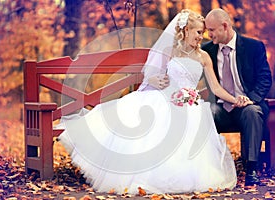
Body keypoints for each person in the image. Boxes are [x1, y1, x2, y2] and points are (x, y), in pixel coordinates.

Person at [58, 9, 239, 194]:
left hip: (191, 106)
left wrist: (236, 99)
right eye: (198, 32)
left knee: (192, 124)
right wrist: (152, 80)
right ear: (186, 30)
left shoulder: (203, 56)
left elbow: (216, 88)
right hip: (166, 100)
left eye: (203, 32)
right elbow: (151, 75)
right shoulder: (170, 51)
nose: (202, 37)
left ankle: (184, 177)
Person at [202, 8, 272, 186]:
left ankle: (251, 170)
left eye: (211, 29)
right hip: (220, 108)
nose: (208, 34)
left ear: (224, 26)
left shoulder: (253, 47)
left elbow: (265, 78)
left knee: (253, 112)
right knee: (207, 111)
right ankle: (210, 169)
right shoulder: (206, 50)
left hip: (246, 106)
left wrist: (251, 99)